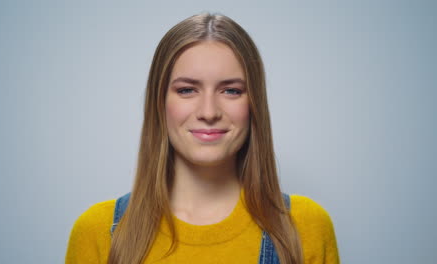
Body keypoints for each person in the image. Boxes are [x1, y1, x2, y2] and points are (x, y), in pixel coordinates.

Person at [65, 13, 339, 264]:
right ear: (159, 103)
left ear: (254, 103)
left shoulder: (304, 227)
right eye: (186, 90)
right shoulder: (98, 232)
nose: (209, 112)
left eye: (231, 91)